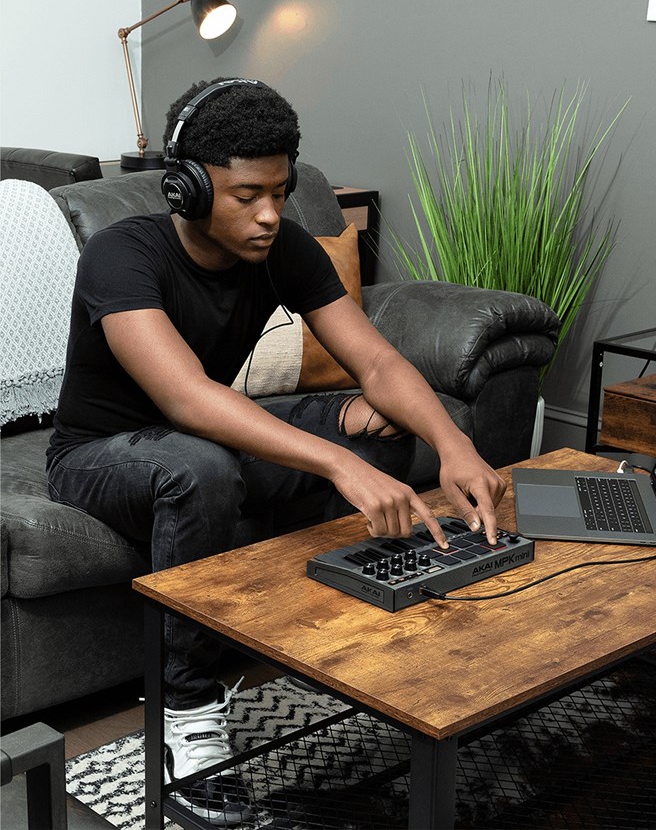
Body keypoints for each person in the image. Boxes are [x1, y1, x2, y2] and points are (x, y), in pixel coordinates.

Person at [45, 77, 505, 825]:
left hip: (203, 437)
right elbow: (186, 399)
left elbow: (378, 362)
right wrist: (335, 463)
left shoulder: (282, 247)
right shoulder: (119, 255)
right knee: (201, 468)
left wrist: (455, 446)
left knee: (379, 424)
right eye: (247, 195)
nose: (269, 214)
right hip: (99, 456)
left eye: (281, 193)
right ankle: (186, 714)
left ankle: (333, 643)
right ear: (188, 188)